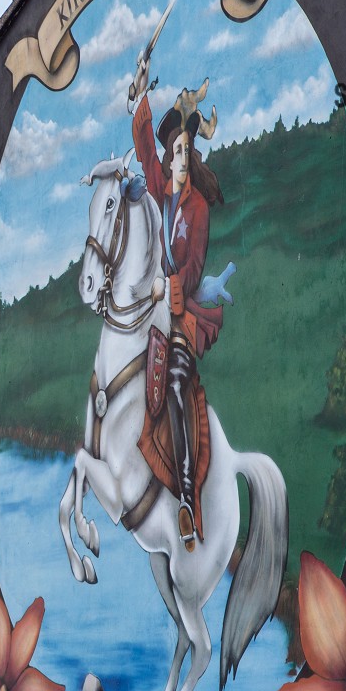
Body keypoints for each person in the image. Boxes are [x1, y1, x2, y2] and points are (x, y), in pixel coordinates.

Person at [130, 55, 225, 551]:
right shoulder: (161, 194)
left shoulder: (198, 208)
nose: (182, 157)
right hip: (151, 316)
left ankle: (187, 499)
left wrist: (164, 289)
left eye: (188, 149)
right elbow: (142, 147)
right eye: (177, 150)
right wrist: (140, 91)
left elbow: (191, 269)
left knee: (175, 383)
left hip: (183, 317)